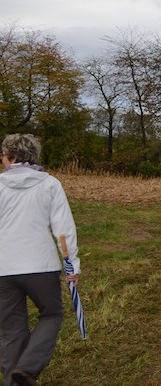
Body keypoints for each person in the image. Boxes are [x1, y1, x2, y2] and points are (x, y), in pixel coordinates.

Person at [0, 133, 80, 386]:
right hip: (40, 266)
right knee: (52, 315)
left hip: (3, 268)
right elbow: (64, 230)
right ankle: (28, 368)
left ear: (12, 156)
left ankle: (14, 380)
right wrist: (72, 266)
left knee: (12, 330)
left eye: (2, 155)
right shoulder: (49, 184)